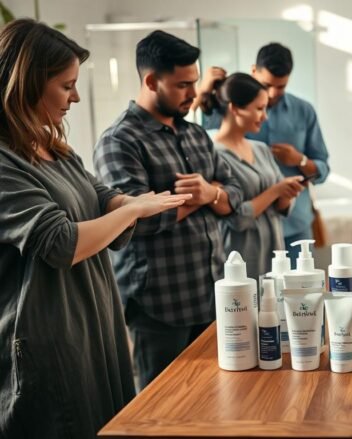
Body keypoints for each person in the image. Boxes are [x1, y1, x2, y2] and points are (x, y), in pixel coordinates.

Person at [0, 20, 190, 437]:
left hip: (92, 324)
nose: (76, 96)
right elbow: (61, 242)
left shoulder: (55, 150)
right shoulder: (4, 163)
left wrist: (127, 204)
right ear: (28, 83)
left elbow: (101, 197)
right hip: (47, 334)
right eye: (66, 86)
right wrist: (134, 209)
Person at [93, 31, 243, 390]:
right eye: (182, 85)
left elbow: (234, 193)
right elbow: (134, 220)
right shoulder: (120, 141)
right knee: (161, 410)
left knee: (214, 398)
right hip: (158, 306)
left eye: (194, 82)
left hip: (210, 297)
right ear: (150, 80)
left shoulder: (195, 135)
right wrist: (202, 198)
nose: (194, 93)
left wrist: (210, 193)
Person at [195, 43, 330, 263]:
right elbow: (191, 135)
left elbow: (323, 169)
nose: (274, 93)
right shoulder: (216, 142)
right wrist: (200, 93)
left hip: (293, 225)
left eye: (281, 86)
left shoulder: (302, 113)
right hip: (241, 244)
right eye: (267, 85)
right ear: (254, 71)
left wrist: (299, 162)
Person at [200, 73, 305, 277]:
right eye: (259, 109)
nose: (265, 116)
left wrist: (285, 195)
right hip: (239, 258)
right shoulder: (214, 155)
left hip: (274, 254)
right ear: (234, 108)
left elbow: (281, 207)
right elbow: (236, 218)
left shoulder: (261, 149)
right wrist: (275, 191)